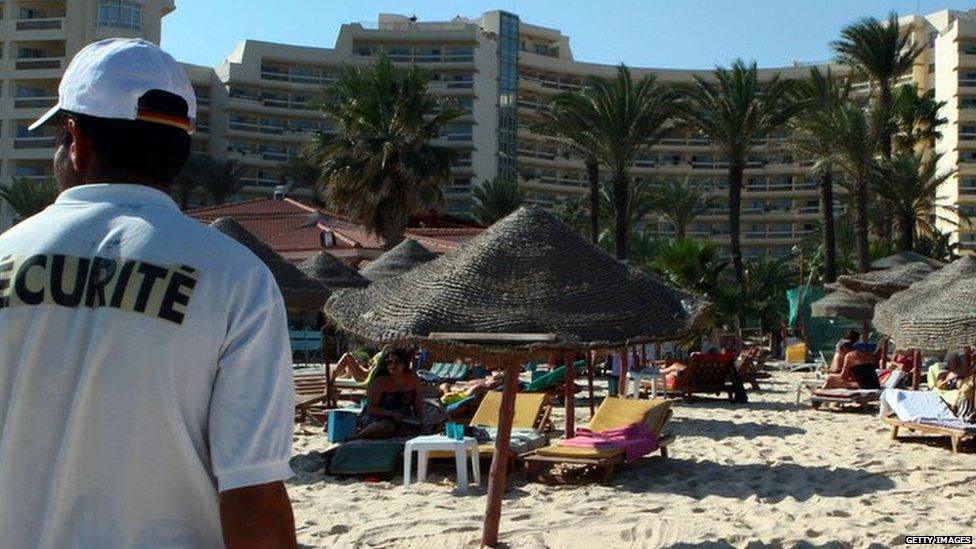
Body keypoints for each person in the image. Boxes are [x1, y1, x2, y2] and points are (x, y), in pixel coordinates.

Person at [0, 39, 296, 548]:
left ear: (76, 140)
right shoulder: (235, 277)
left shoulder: (5, 254)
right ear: (179, 149)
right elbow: (253, 498)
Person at [351, 349, 424, 440]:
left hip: (403, 417)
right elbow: (371, 408)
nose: (392, 365)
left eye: (397, 362)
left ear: (404, 364)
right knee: (388, 426)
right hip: (379, 417)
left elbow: (418, 403)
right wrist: (391, 414)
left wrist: (420, 420)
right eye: (389, 362)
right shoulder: (380, 382)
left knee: (421, 426)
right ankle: (359, 436)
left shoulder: (413, 379)